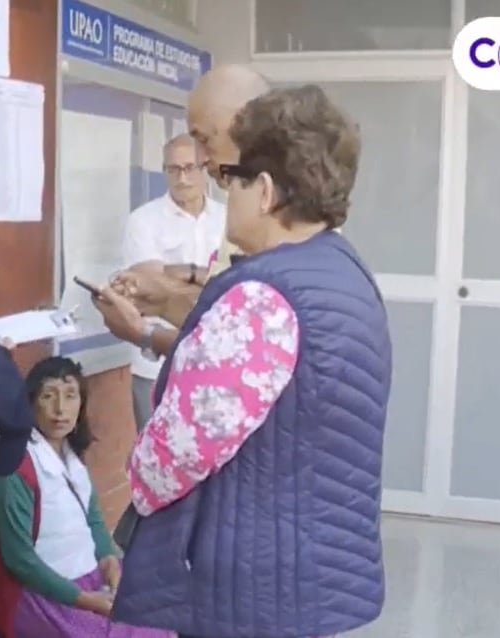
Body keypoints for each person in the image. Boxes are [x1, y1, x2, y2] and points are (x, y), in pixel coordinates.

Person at [92, 86, 390, 638]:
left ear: (267, 191)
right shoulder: (346, 272)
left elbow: (173, 453)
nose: (222, 189)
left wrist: (136, 477)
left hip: (252, 579)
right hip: (313, 564)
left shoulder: (262, 297)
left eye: (232, 179)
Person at [0, 356, 172, 638]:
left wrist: (109, 560)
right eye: (48, 396)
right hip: (40, 595)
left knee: (161, 619)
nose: (60, 409)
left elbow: (94, 521)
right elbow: (20, 560)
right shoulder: (15, 467)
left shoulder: (72, 459)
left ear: (81, 404)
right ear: (30, 404)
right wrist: (84, 600)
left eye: (70, 395)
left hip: (91, 580)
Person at [112, 65, 272, 338]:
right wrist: (173, 294)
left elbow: (233, 328)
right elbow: (217, 310)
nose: (202, 158)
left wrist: (148, 333)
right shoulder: (144, 219)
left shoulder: (275, 225)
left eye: (205, 140)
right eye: (173, 169)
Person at [120, 133, 222, 433]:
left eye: (189, 167)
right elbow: (150, 288)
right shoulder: (143, 221)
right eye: (173, 169)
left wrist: (185, 273)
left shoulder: (227, 220)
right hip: (156, 363)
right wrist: (210, 281)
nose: (182, 177)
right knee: (155, 459)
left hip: (215, 361)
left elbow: (240, 284)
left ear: (206, 169)